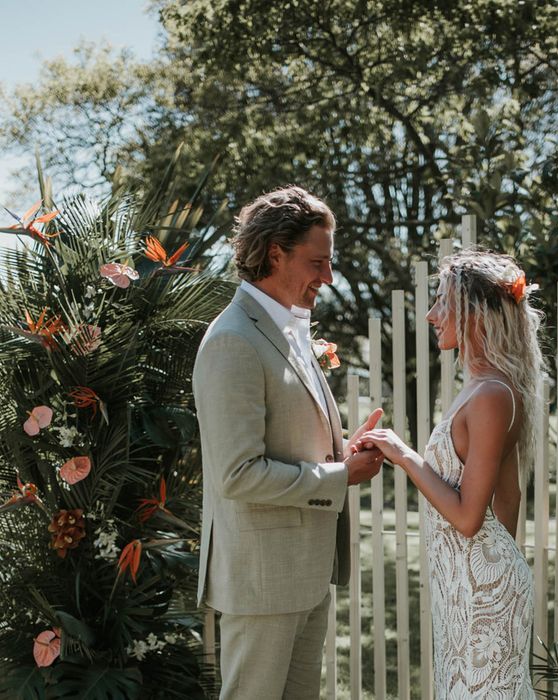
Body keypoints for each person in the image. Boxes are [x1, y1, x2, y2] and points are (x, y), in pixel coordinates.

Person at [192, 185, 384, 699]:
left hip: (304, 574)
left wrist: (342, 453)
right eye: (317, 262)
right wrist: (342, 476)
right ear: (275, 253)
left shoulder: (289, 331)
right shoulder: (234, 339)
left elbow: (287, 448)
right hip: (261, 585)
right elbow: (237, 474)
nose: (327, 277)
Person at [354, 250, 542, 698]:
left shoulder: (493, 394)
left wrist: (403, 453)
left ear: (476, 313)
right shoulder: (482, 386)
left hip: (481, 591)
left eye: (442, 302)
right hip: (468, 586)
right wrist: (479, 575)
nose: (431, 314)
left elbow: (468, 518)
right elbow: (510, 497)